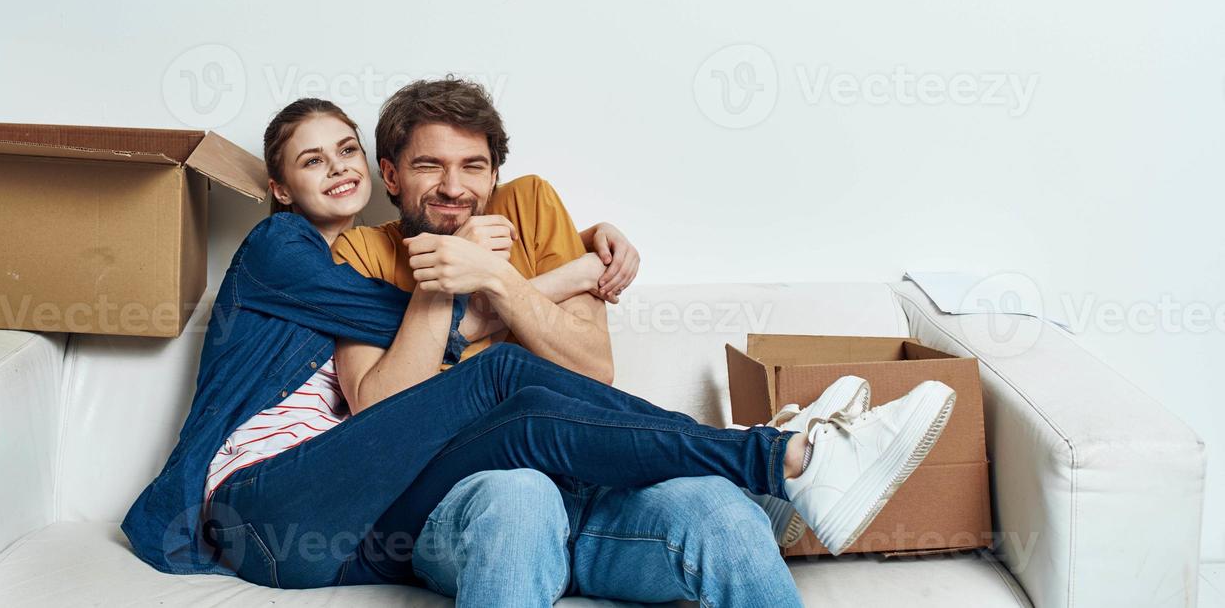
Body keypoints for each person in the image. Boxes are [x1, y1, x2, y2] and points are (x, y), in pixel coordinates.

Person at [121, 97, 956, 604]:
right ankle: (786, 457)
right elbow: (453, 324)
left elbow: (472, 323)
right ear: (278, 188)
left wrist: (551, 267)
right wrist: (570, 272)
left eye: (344, 151)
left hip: (340, 520)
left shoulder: (374, 254)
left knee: (524, 403)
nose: (335, 169)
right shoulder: (286, 251)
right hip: (258, 504)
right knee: (512, 384)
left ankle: (772, 466)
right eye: (312, 159)